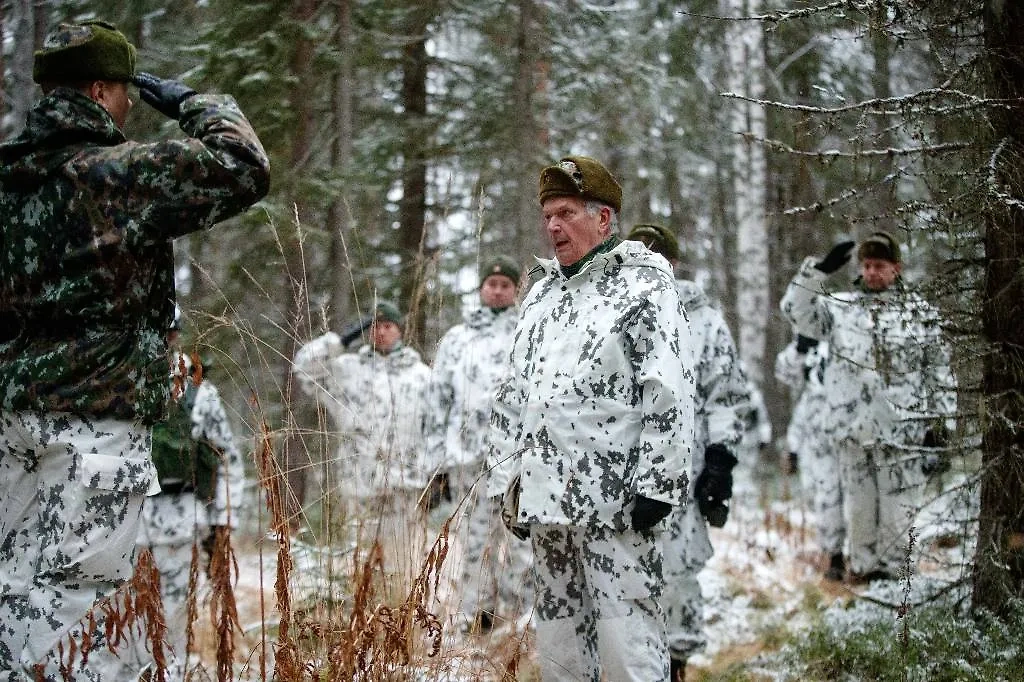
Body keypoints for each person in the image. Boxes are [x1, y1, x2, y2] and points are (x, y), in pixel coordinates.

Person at [0, 20, 269, 681]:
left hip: (11, 422)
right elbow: (243, 165)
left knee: (15, 586)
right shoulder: (117, 175)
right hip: (95, 422)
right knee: (85, 607)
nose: (126, 106)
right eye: (123, 92)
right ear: (101, 91)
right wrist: (191, 101)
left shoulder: (8, 180)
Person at [487, 157, 695, 681]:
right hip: (548, 505)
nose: (553, 226)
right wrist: (505, 480)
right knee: (560, 647)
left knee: (628, 645)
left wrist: (659, 483)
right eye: (547, 215)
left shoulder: (645, 286)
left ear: (603, 219)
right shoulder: (541, 295)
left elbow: (667, 389)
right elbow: (514, 395)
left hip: (616, 504)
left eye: (566, 212)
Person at [780, 231, 957, 582]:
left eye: (880, 265)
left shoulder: (919, 315)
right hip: (852, 432)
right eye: (867, 265)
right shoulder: (839, 309)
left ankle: (895, 585)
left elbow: (940, 372)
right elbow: (794, 311)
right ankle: (862, 576)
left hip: (902, 434)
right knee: (859, 513)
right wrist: (817, 272)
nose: (872, 272)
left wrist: (941, 428)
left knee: (898, 515)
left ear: (896, 267)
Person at [626, 223, 749, 681]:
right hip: (616, 470)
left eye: (658, 257)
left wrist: (720, 461)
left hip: (685, 468)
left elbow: (728, 396)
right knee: (622, 575)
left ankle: (677, 661)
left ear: (673, 266)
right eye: (639, 255)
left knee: (677, 571)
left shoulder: (705, 322)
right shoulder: (609, 313)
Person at [422, 254, 535, 633]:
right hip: (469, 456)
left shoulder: (529, 329)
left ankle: (521, 613)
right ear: (482, 288)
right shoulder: (457, 338)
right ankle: (477, 611)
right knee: (474, 538)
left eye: (506, 285)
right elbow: (438, 400)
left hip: (519, 457)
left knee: (521, 536)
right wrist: (436, 463)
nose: (499, 290)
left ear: (515, 290)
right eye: (492, 284)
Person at [293, 300, 431, 597]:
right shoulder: (347, 369)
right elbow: (303, 368)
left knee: (402, 566)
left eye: (387, 326)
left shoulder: (421, 376)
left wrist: (436, 475)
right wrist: (340, 340)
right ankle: (362, 628)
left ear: (400, 330)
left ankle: (401, 626)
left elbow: (436, 428)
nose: (380, 333)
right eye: (374, 327)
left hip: (404, 487)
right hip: (359, 486)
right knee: (360, 565)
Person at [774, 335, 846, 580]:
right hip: (819, 445)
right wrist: (793, 449)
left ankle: (861, 557)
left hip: (852, 436)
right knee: (826, 500)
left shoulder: (850, 337)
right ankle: (835, 556)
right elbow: (784, 373)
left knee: (856, 501)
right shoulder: (812, 349)